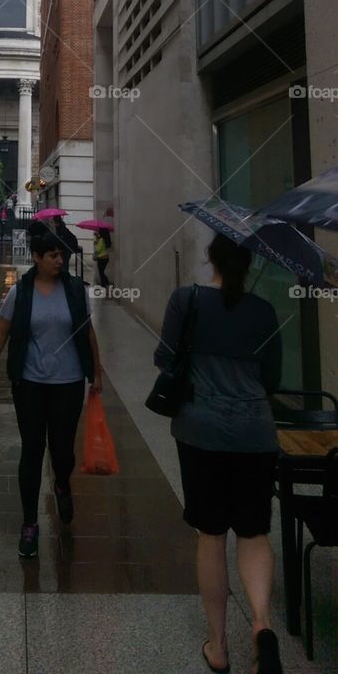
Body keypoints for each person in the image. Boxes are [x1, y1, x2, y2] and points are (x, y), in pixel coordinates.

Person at [154, 234, 283, 674]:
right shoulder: (264, 312)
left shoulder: (186, 300)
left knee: (211, 536)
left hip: (201, 432)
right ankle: (262, 626)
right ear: (247, 265)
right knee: (253, 533)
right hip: (255, 434)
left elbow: (165, 358)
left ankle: (218, 645)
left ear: (211, 258)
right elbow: (272, 380)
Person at [0, 222, 103, 558]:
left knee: (62, 451)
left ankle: (62, 483)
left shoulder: (75, 290)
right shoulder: (21, 291)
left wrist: (96, 373)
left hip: (68, 383)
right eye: (52, 255)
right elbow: (1, 333)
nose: (59, 260)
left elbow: (88, 334)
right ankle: (29, 523)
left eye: (61, 255)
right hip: (29, 383)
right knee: (32, 450)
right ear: (36, 257)